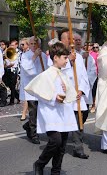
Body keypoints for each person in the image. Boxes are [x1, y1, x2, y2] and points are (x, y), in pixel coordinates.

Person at [25, 42, 78, 175]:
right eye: (65, 58)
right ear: (56, 57)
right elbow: (39, 93)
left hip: (64, 113)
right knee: (55, 141)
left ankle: (56, 171)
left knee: (62, 145)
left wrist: (68, 93)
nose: (67, 61)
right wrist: (55, 97)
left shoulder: (63, 74)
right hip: (51, 113)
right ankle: (40, 163)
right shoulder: (47, 74)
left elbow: (69, 93)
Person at [55, 28, 90, 159]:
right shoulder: (56, 57)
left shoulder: (79, 57)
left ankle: (78, 148)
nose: (71, 41)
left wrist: (81, 90)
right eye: (68, 38)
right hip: (64, 96)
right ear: (62, 41)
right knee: (63, 125)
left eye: (72, 39)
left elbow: (83, 76)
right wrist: (68, 60)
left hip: (77, 96)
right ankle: (60, 147)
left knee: (79, 122)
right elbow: (55, 73)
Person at [21, 36, 48, 144]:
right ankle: (33, 134)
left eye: (35, 44)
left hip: (41, 87)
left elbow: (46, 69)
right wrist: (34, 57)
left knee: (41, 111)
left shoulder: (43, 56)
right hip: (31, 87)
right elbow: (27, 70)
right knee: (33, 111)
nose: (33, 46)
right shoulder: (25, 56)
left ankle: (28, 125)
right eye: (31, 44)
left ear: (39, 45)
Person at [19, 38, 30, 121]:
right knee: (25, 96)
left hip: (29, 77)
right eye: (21, 44)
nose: (21, 46)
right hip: (23, 75)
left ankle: (24, 113)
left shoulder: (29, 54)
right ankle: (30, 111)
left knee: (27, 96)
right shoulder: (22, 53)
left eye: (23, 44)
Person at [90, 43, 100, 113]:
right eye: (94, 47)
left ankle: (95, 104)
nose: (95, 49)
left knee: (96, 90)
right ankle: (92, 104)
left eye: (97, 47)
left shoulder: (100, 54)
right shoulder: (90, 54)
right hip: (92, 75)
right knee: (92, 90)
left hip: (99, 75)